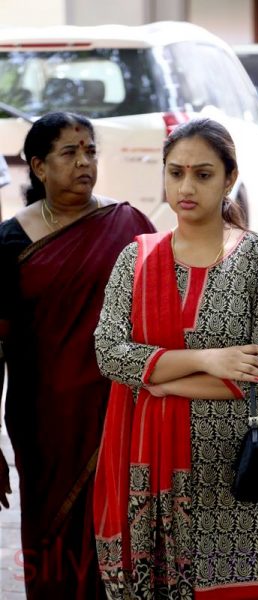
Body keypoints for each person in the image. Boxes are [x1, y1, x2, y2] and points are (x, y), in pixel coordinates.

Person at [93, 118, 258, 599]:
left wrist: (158, 380)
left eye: (203, 174)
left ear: (229, 178)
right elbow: (109, 354)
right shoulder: (136, 259)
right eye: (176, 172)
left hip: (238, 473)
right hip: (152, 472)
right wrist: (210, 359)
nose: (186, 187)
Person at [0, 111, 155, 599]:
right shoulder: (10, 241)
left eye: (90, 151)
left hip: (122, 411)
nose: (85, 162)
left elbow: (163, 315)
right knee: (52, 536)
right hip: (44, 420)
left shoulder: (129, 224)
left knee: (123, 532)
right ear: (39, 167)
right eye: (70, 153)